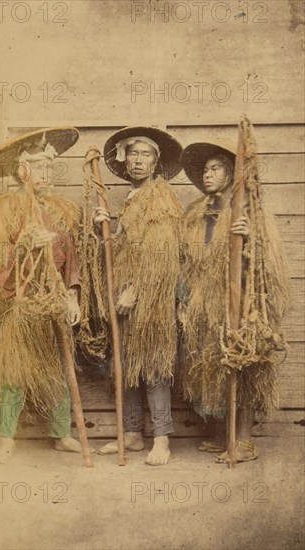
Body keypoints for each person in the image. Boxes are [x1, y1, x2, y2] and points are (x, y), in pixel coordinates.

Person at [0, 127, 93, 463]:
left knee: (58, 369)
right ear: (22, 170)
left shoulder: (60, 210)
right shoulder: (4, 209)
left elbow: (72, 259)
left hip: (54, 303)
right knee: (15, 373)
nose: (46, 174)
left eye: (50, 168)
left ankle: (61, 433)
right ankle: (7, 438)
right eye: (39, 168)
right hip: (21, 306)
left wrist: (73, 295)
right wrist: (23, 248)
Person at [178, 140, 291, 462]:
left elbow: (268, 261)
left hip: (240, 301)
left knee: (242, 364)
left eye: (215, 168)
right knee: (211, 363)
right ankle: (219, 432)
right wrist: (183, 298)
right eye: (205, 169)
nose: (207, 174)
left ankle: (242, 440)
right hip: (203, 301)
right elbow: (186, 259)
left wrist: (250, 236)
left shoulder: (251, 212)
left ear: (233, 173)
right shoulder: (197, 213)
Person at [95, 126, 183, 465]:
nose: (138, 160)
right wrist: (101, 227)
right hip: (126, 298)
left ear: (156, 162)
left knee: (154, 366)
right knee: (127, 366)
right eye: (132, 153)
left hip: (151, 297)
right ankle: (132, 434)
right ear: (124, 158)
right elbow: (122, 250)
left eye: (146, 154)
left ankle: (161, 439)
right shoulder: (132, 198)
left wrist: (137, 289)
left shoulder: (159, 196)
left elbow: (161, 253)